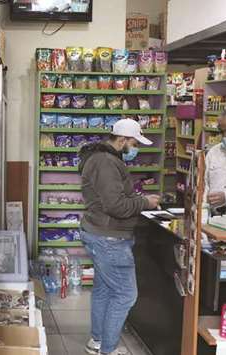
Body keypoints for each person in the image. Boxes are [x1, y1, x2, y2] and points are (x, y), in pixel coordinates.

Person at [78, 119, 160, 355]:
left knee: (104, 289)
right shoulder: (106, 162)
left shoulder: (102, 158)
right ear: (122, 140)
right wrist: (145, 201)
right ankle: (108, 349)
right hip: (109, 238)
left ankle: (97, 341)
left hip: (100, 233)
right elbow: (115, 205)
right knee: (125, 294)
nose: (136, 149)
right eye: (134, 143)